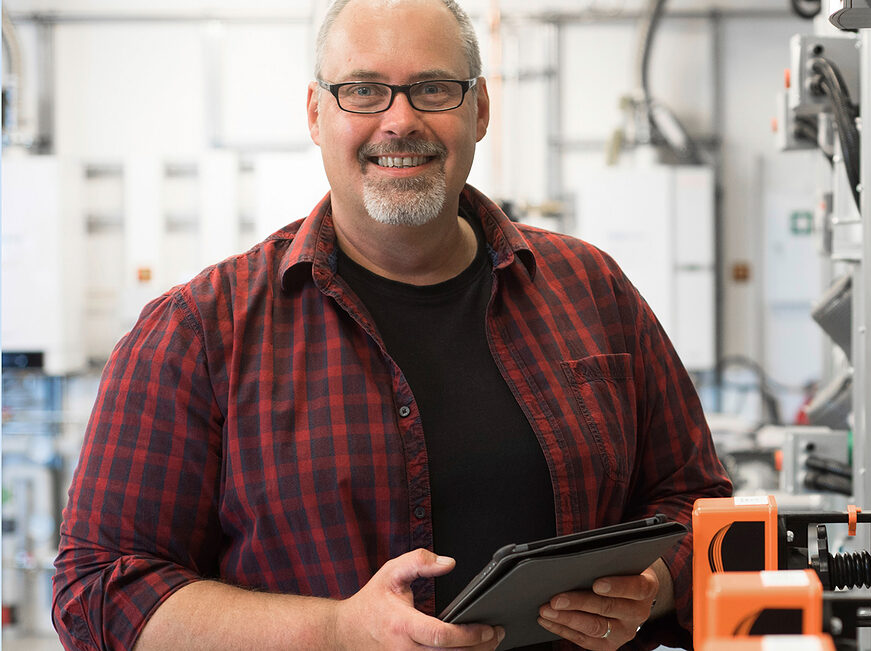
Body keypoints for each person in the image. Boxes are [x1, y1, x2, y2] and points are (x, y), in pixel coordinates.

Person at [50, 0, 732, 648]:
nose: (400, 120)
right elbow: (99, 590)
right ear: (317, 113)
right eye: (365, 91)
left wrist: (653, 583)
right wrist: (336, 633)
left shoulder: (593, 293)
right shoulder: (199, 334)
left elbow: (698, 502)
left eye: (434, 89)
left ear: (481, 108)